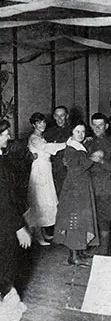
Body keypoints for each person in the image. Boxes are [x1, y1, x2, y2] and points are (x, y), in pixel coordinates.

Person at [53, 121, 100, 265]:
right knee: (75, 220)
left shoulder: (79, 146)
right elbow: (75, 170)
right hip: (74, 190)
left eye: (83, 131)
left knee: (82, 219)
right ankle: (73, 257)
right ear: (71, 133)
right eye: (77, 131)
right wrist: (92, 159)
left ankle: (79, 251)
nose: (81, 134)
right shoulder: (71, 149)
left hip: (81, 187)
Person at [0, 120, 31, 319]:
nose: (8, 137)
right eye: (4, 134)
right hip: (4, 224)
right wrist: (19, 227)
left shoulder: (4, 159)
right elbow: (3, 200)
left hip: (4, 219)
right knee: (6, 265)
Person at [25, 112, 66, 246]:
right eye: (38, 123)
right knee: (38, 202)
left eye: (43, 122)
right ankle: (38, 236)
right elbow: (47, 148)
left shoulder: (40, 137)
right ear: (33, 124)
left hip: (46, 169)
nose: (42, 125)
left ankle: (42, 234)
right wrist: (66, 143)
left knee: (45, 201)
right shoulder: (34, 138)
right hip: (40, 170)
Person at [87, 113, 111, 256]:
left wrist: (101, 161)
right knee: (92, 219)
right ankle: (96, 247)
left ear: (106, 126)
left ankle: (104, 252)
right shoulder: (88, 142)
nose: (97, 128)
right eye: (94, 125)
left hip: (107, 188)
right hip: (90, 187)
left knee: (104, 221)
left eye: (100, 125)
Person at [44, 105, 72, 197]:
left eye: (62, 115)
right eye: (57, 116)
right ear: (54, 116)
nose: (59, 119)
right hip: (53, 168)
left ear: (67, 116)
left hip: (68, 168)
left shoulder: (73, 130)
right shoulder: (48, 132)